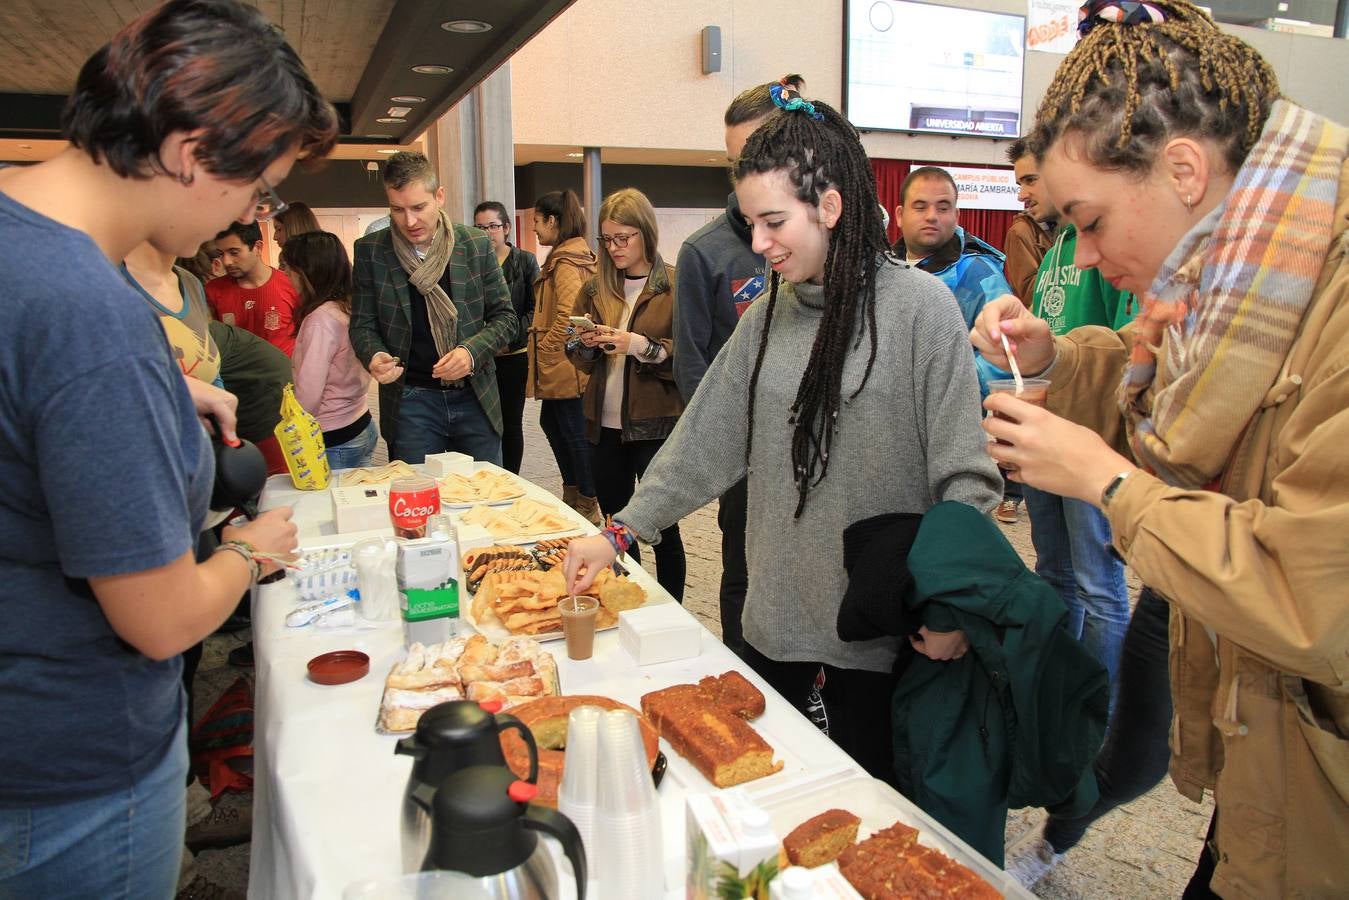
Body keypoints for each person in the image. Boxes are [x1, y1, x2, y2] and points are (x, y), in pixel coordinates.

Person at [971, 1, 1349, 894]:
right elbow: (1178, 388)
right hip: (1273, 752)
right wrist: (1056, 359)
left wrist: (1107, 485)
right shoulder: (1248, 275)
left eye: (1092, 221)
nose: (1089, 258)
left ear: (1182, 168)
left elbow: (1314, 604)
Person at [566, 89, 1001, 780]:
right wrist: (618, 533)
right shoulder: (766, 316)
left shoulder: (922, 310)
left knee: (859, 821)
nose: (759, 243)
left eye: (773, 222)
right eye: (749, 223)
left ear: (829, 206)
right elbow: (703, 440)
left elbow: (965, 476)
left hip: (875, 636)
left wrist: (953, 606)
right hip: (771, 623)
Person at [0, 0, 336, 895]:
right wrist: (244, 552)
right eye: (254, 189)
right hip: (70, 772)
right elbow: (161, 619)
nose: (248, 217)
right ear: (192, 154)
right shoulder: (90, 316)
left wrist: (153, 391)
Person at [674, 73, 804, 657]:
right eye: (737, 163)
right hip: (750, 458)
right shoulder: (705, 251)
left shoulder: (845, 235)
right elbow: (695, 366)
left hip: (825, 451)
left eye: (761, 153)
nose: (749, 172)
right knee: (745, 575)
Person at [349, 151, 517, 464]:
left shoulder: (475, 245)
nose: (409, 221)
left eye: (418, 207)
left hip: (475, 396)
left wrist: (469, 353)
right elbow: (362, 325)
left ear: (439, 196)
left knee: (482, 500)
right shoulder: (372, 251)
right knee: (418, 500)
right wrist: (374, 355)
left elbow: (506, 318)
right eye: (397, 210)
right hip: (411, 400)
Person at [567, 188, 686, 600]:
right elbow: (578, 360)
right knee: (616, 528)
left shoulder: (674, 284)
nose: (614, 248)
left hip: (656, 424)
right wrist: (584, 342)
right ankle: (626, 600)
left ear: (646, 234)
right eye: (607, 239)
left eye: (624, 238)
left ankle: (673, 608)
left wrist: (637, 344)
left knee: (662, 528)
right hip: (603, 425)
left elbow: (688, 360)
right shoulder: (595, 287)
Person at [530, 189, 601, 522]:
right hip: (565, 365)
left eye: (537, 221)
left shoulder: (566, 262)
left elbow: (568, 315)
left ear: (553, 220)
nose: (534, 229)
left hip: (565, 366)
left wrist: (547, 347)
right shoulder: (570, 255)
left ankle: (587, 500)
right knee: (556, 425)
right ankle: (575, 494)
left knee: (572, 431)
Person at [282, 231, 376, 469]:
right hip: (360, 422)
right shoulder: (349, 306)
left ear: (306, 273)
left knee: (329, 505)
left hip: (334, 435)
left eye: (289, 269)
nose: (286, 276)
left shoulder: (320, 319)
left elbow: (309, 394)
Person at [892, 166, 1012, 329]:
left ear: (956, 216)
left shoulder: (981, 276)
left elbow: (1001, 349)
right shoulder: (882, 271)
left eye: (943, 208)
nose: (931, 216)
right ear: (900, 215)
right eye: (920, 207)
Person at [474, 200, 539, 474]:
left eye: (492, 226)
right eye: (480, 227)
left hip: (514, 357)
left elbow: (535, 310)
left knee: (511, 422)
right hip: (481, 358)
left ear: (506, 228)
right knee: (482, 421)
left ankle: (512, 477)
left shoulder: (524, 261)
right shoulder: (472, 262)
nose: (487, 232)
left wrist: (508, 340)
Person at [207, 220, 301, 355]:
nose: (226, 261)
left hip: (285, 373)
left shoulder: (290, 284)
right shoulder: (213, 290)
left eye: (234, 252)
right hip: (235, 373)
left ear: (257, 247)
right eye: (221, 253)